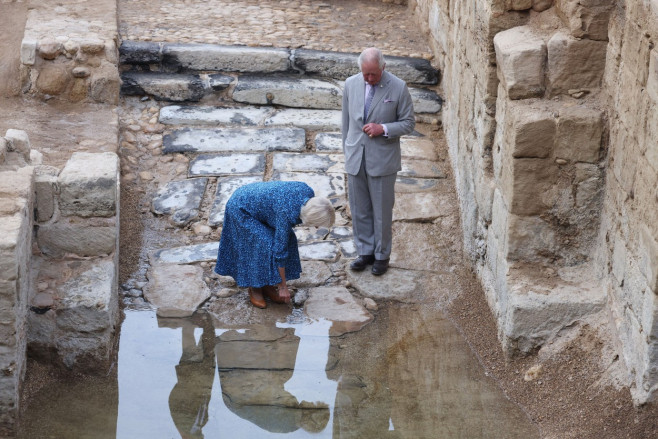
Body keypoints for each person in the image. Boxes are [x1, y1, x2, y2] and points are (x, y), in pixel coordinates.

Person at [341, 47, 415, 275]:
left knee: (382, 211)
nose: (370, 79)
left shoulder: (399, 87)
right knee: (359, 207)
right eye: (366, 74)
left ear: (383, 67)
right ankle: (365, 251)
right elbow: (346, 122)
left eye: (374, 74)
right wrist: (347, 150)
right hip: (356, 157)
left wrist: (382, 128)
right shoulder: (350, 84)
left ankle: (382, 255)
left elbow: (408, 123)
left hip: (382, 160)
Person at [214, 181, 335, 308]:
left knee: (288, 240)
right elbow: (280, 252)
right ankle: (255, 286)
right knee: (264, 244)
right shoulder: (285, 213)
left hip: (262, 207)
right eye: (316, 223)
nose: (316, 226)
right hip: (241, 208)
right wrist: (283, 287)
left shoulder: (308, 193)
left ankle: (267, 283)